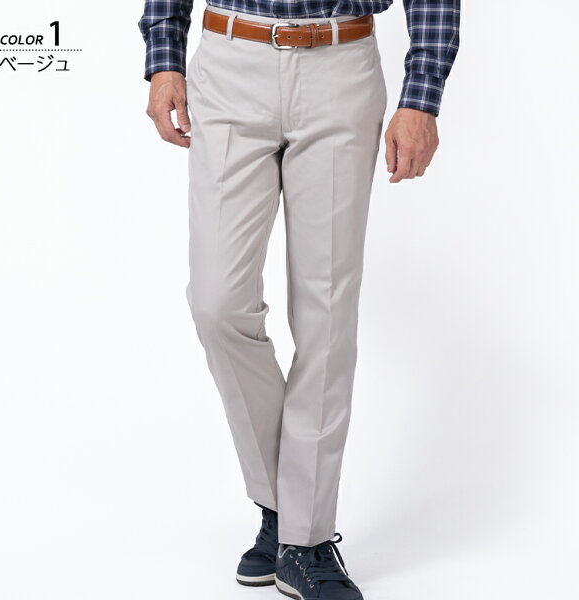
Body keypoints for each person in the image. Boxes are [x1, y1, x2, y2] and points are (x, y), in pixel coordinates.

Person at [138, 1, 459, 597]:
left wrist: (422, 95)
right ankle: (283, 505)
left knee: (326, 313)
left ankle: (304, 540)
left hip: (341, 65)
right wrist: (163, 58)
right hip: (230, 62)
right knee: (216, 303)